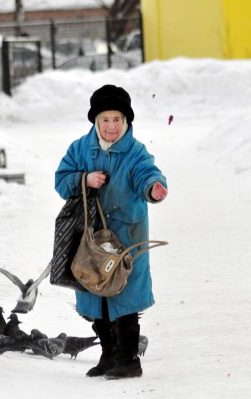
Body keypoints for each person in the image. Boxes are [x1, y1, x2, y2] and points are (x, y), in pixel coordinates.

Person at [55, 84, 168, 379]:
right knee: (96, 292)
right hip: (90, 237)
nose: (111, 126)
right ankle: (108, 355)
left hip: (127, 235)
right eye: (105, 119)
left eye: (117, 119)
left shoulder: (135, 151)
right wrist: (84, 178)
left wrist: (153, 189)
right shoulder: (80, 148)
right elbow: (61, 179)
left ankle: (129, 359)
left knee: (124, 293)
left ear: (126, 121)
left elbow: (147, 173)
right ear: (96, 121)